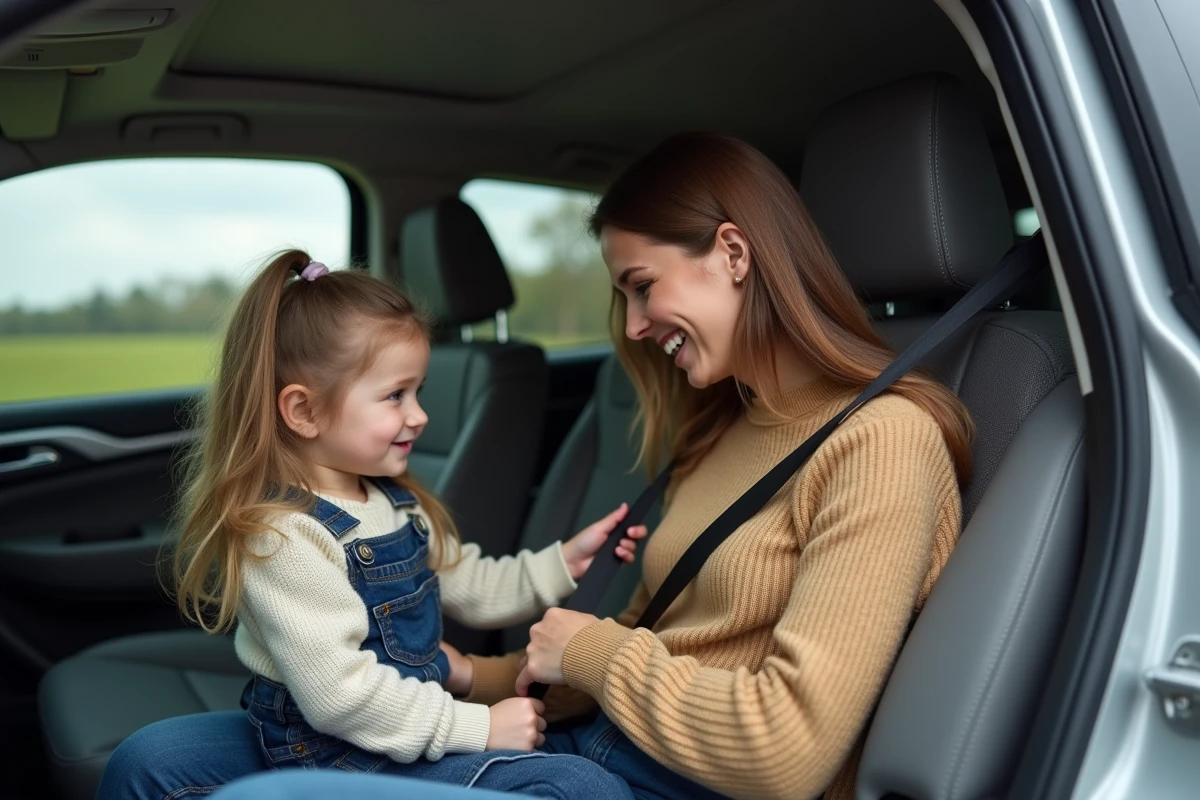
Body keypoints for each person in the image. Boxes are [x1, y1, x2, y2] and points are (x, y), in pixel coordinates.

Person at [101, 132, 969, 800]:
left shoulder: (881, 442)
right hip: (584, 744)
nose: (630, 328)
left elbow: (784, 750)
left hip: (644, 781)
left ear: (734, 256)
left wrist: (584, 653)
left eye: (641, 285)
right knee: (149, 762)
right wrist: (473, 682)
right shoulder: (727, 429)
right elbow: (632, 644)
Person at [101, 252, 646, 794]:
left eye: (419, 392)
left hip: (398, 728)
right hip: (331, 750)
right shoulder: (284, 533)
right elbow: (340, 695)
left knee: (586, 786)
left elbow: (471, 582)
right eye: (394, 396)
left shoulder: (392, 502)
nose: (419, 415)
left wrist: (560, 564)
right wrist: (482, 727)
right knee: (147, 759)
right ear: (304, 412)